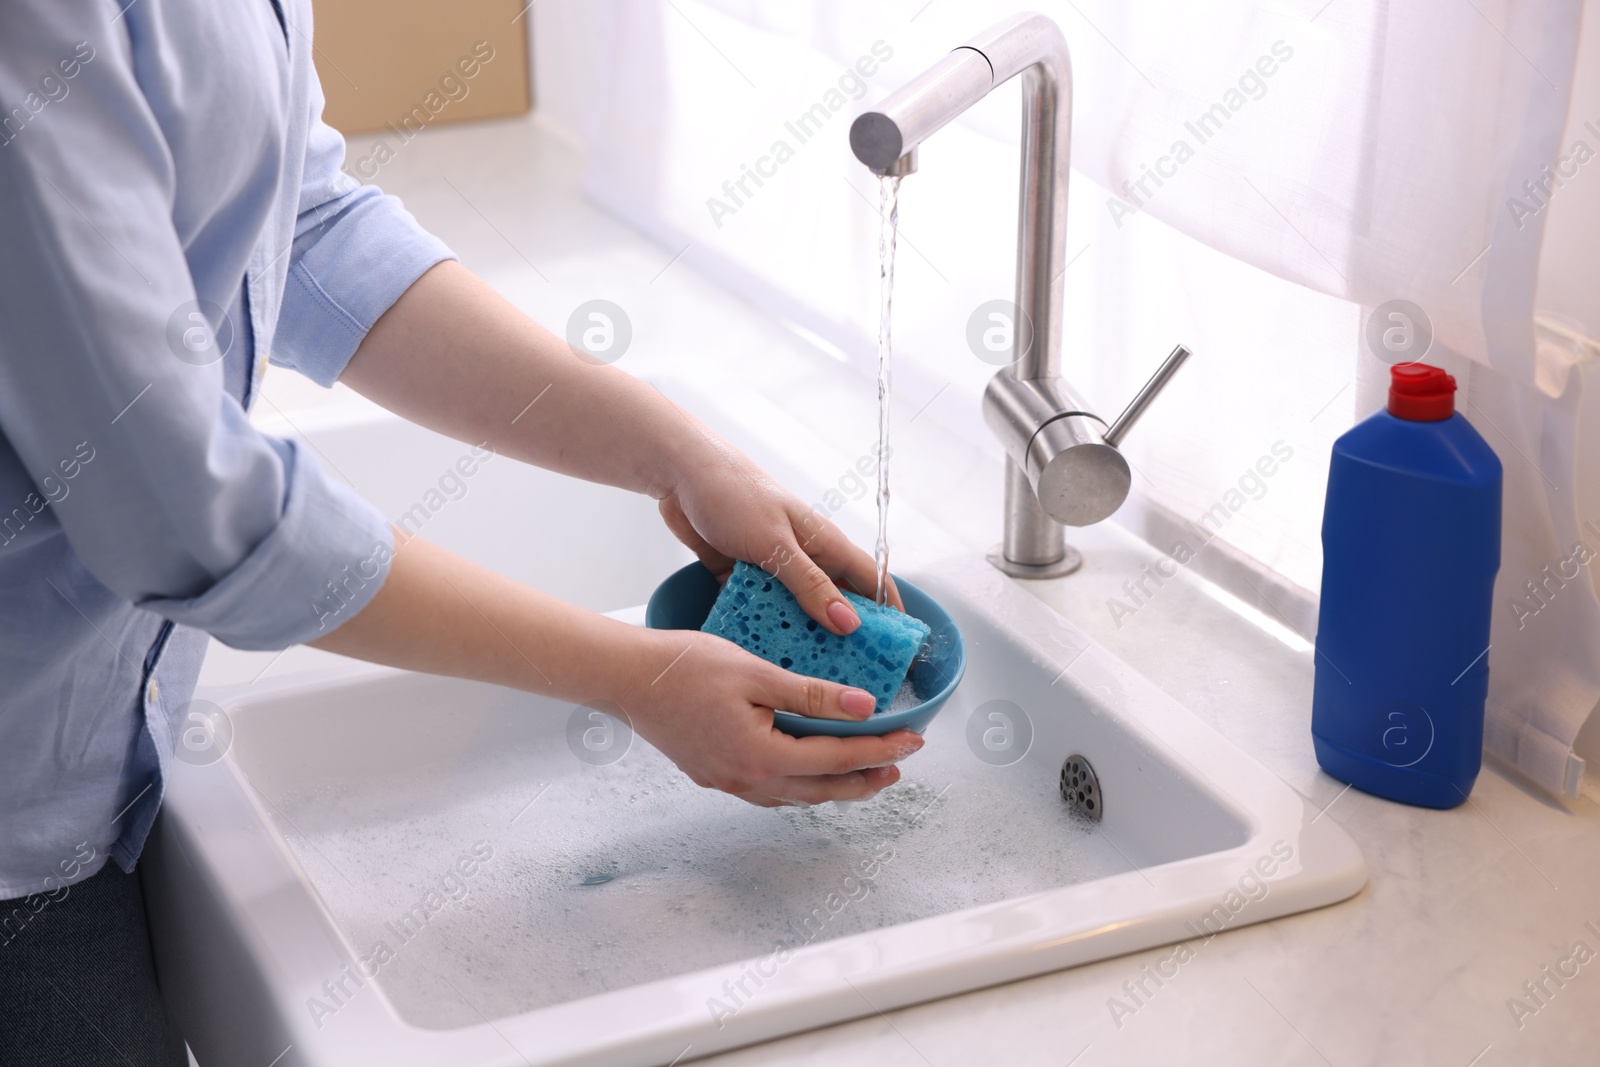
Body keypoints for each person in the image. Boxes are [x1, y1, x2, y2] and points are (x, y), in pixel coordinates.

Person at [0, 2, 923, 1063]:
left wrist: (677, 454)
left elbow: (299, 226)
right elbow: (182, 508)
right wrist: (635, 676)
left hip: (99, 755)